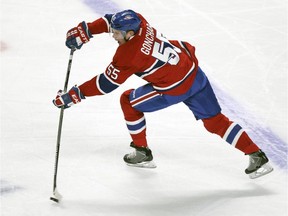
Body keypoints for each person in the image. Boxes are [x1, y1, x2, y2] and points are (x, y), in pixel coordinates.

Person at [53, 9, 273, 179]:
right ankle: (257, 155)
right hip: (194, 74)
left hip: (173, 88)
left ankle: (141, 152)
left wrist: (75, 94)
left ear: (130, 34)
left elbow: (105, 84)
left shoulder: (128, 54)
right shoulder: (139, 21)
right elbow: (111, 20)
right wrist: (88, 30)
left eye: (117, 34)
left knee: (128, 102)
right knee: (215, 121)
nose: (113, 35)